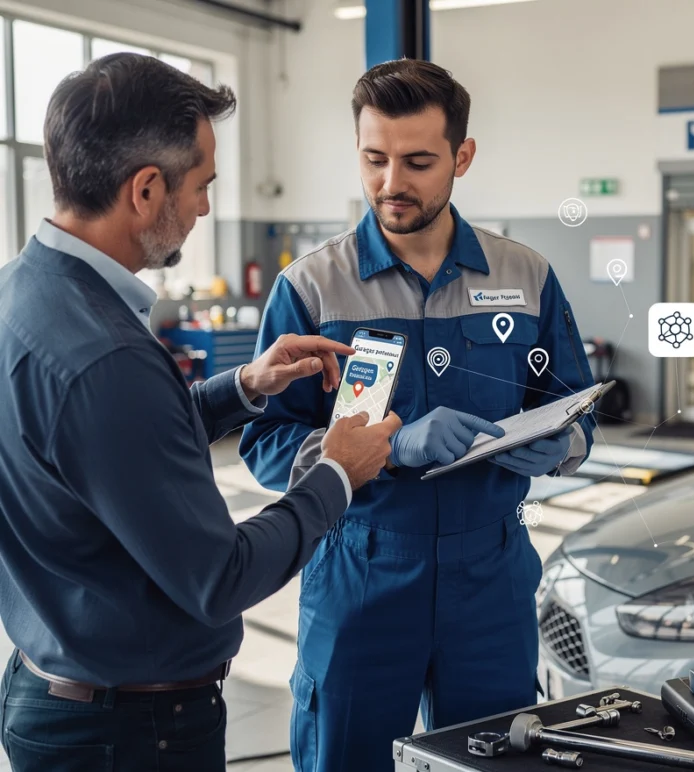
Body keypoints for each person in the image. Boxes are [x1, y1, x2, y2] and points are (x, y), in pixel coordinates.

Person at [0, 54, 401, 772]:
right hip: (130, 733)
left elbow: (109, 456)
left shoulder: (22, 294)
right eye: (202, 185)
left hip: (57, 685)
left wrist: (241, 387)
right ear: (146, 190)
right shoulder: (106, 356)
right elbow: (220, 577)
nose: (206, 208)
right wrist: (336, 475)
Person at [239, 59, 597, 771]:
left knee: (497, 757)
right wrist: (390, 451)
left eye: (418, 161)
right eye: (374, 159)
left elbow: (576, 409)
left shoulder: (525, 277)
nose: (390, 183)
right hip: (361, 568)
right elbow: (267, 445)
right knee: (346, 757)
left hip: (492, 573)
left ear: (462, 157)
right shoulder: (311, 286)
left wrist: (557, 447)